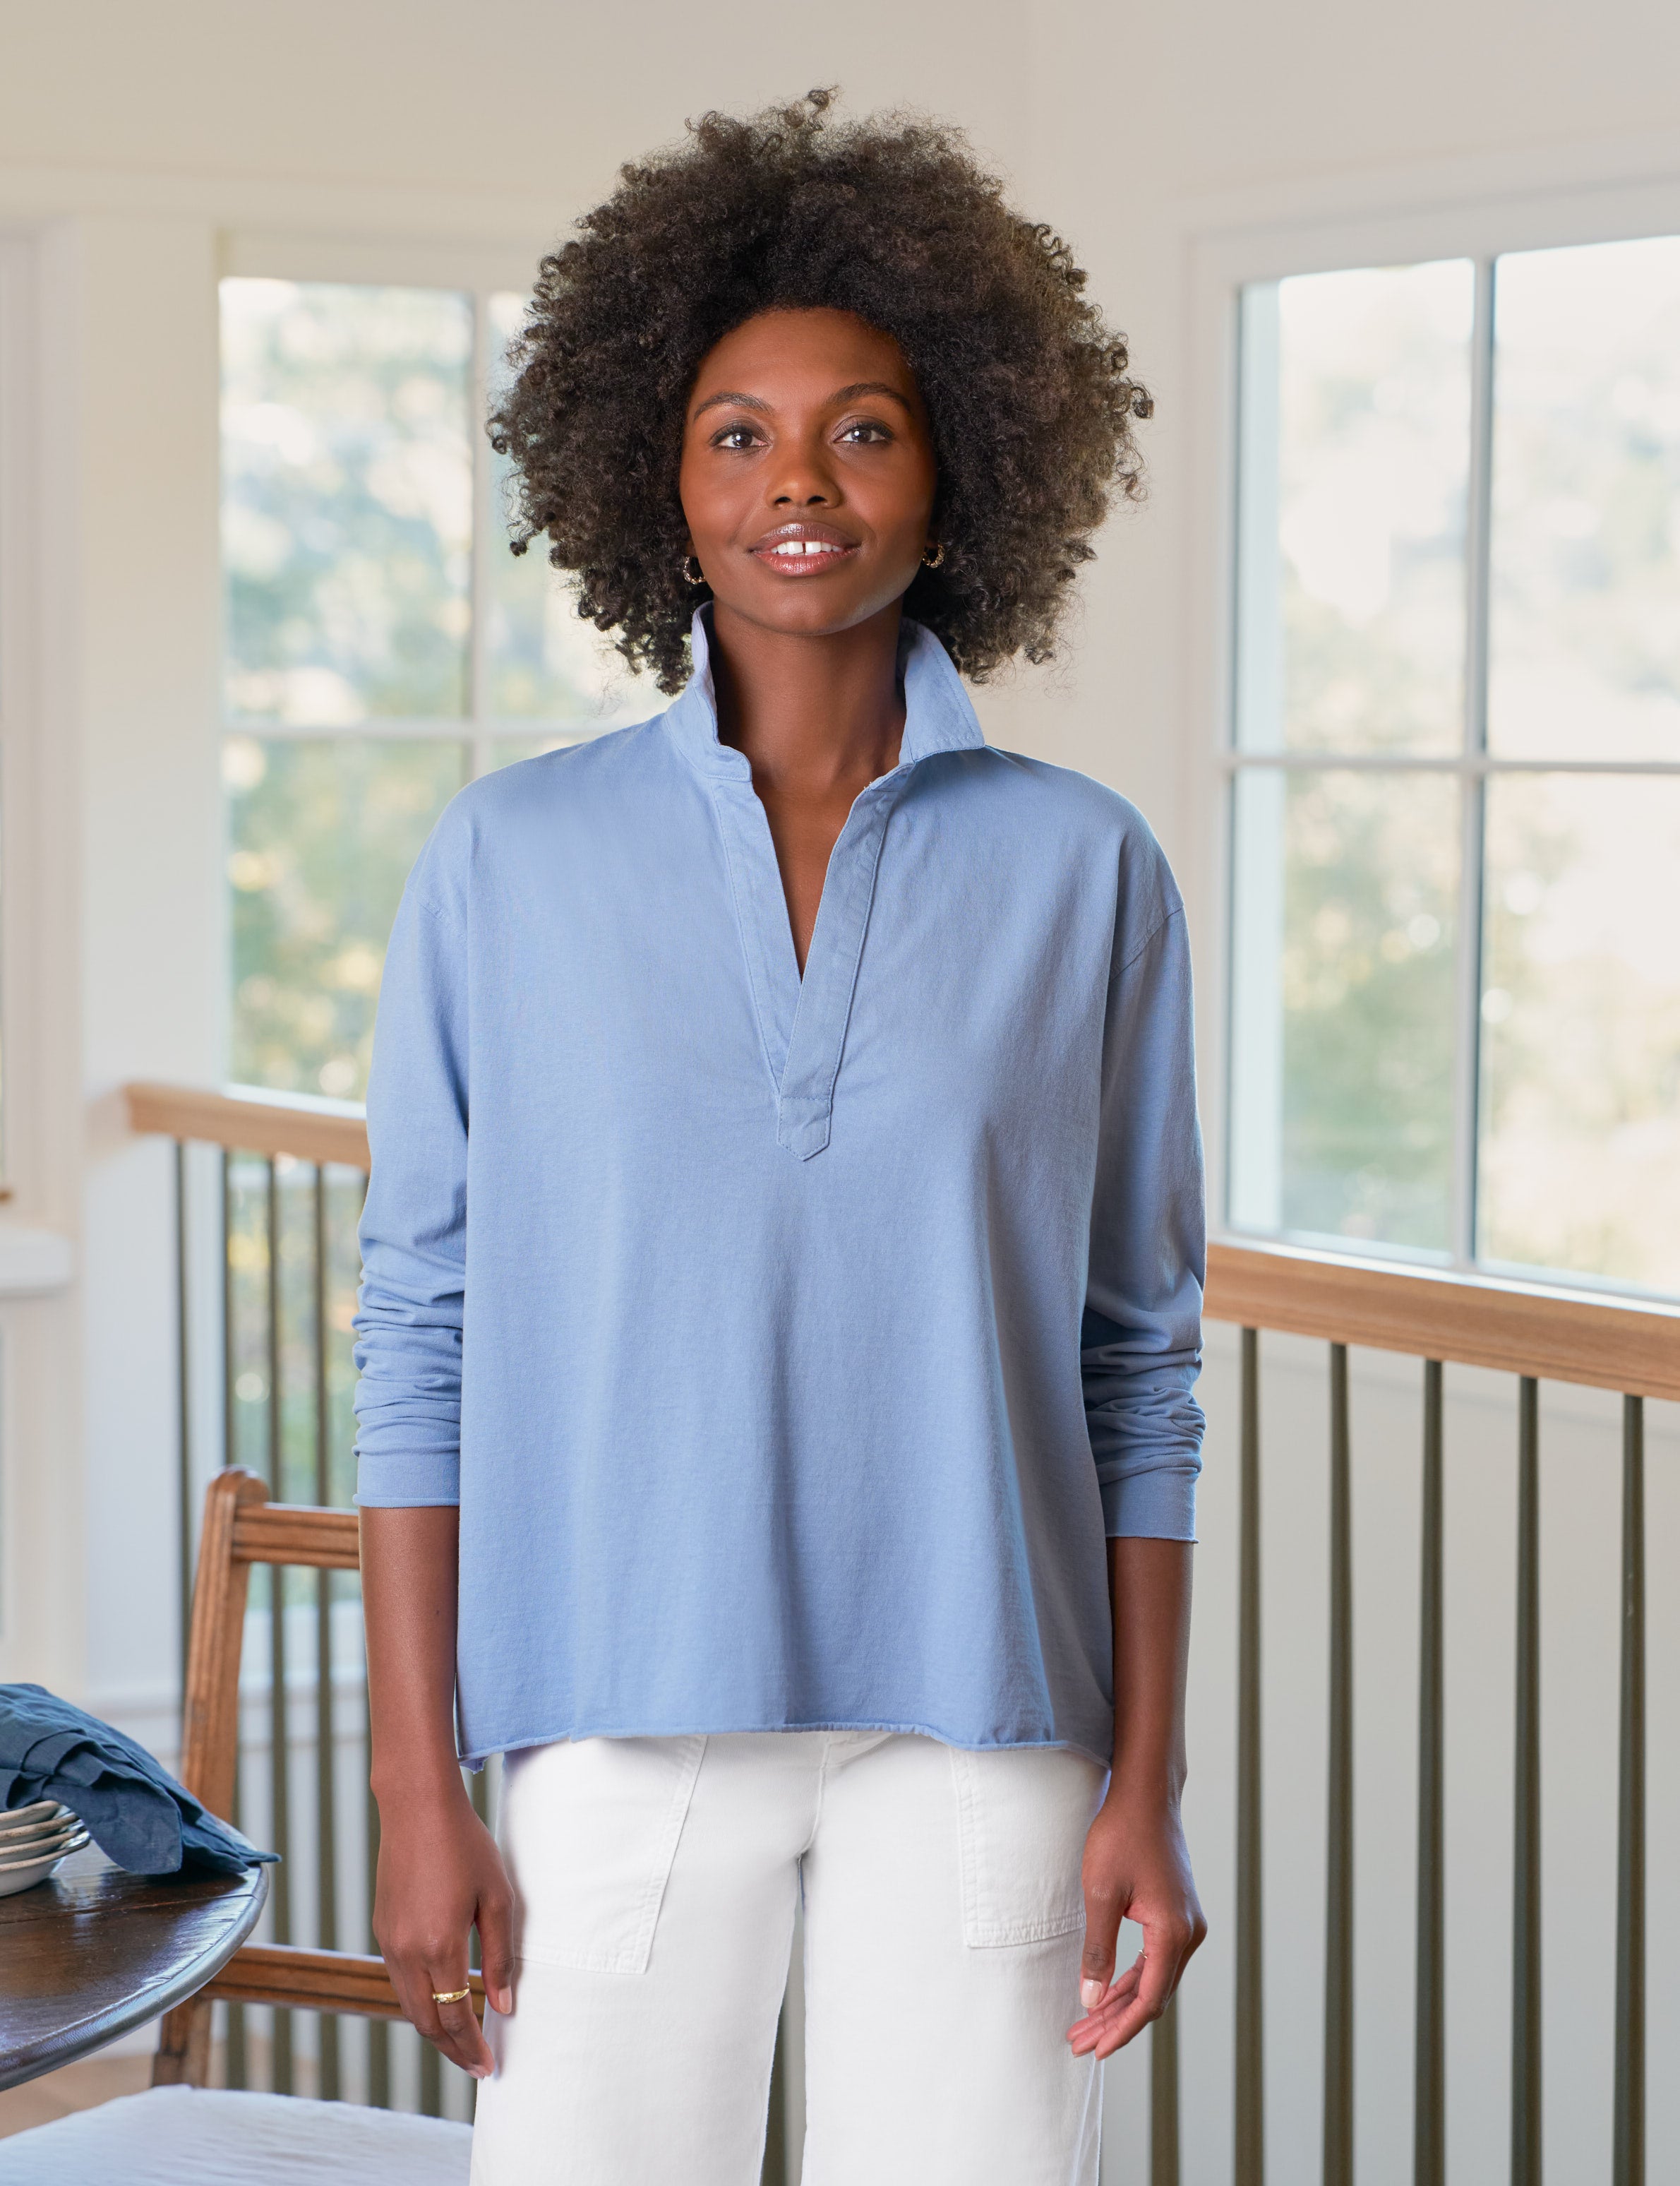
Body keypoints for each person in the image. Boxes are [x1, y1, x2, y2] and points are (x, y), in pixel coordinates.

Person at [354, 88, 1207, 2186]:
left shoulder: (1087, 871)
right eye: (735, 431)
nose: (796, 484)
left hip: (990, 1732)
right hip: (611, 1724)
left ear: (962, 469)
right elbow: (418, 1335)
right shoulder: (508, 858)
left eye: (863, 426)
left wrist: (1147, 1784)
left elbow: (1140, 1361)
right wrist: (416, 1793)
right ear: (653, 472)